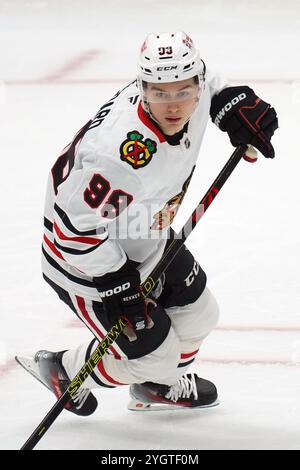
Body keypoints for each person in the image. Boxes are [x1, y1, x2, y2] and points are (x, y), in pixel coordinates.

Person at [17, 31, 278, 414]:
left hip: (145, 234)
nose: (173, 105)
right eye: (159, 93)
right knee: (154, 355)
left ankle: (157, 386)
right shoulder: (121, 157)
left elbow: (210, 82)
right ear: (142, 88)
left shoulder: (198, 88)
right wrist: (116, 283)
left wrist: (231, 103)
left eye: (183, 91)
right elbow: (72, 230)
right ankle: (63, 369)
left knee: (200, 315)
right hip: (86, 264)